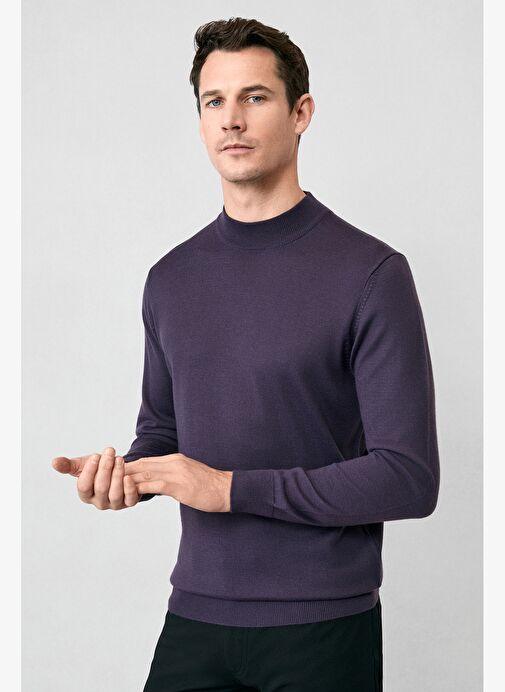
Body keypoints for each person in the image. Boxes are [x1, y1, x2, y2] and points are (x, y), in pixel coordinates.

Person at [52, 16, 440, 691]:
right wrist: (127, 475)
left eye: (254, 97)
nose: (232, 119)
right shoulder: (170, 279)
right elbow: (163, 432)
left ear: (300, 113)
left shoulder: (371, 273)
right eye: (214, 101)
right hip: (196, 616)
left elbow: (407, 477)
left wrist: (228, 490)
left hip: (322, 627)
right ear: (201, 121)